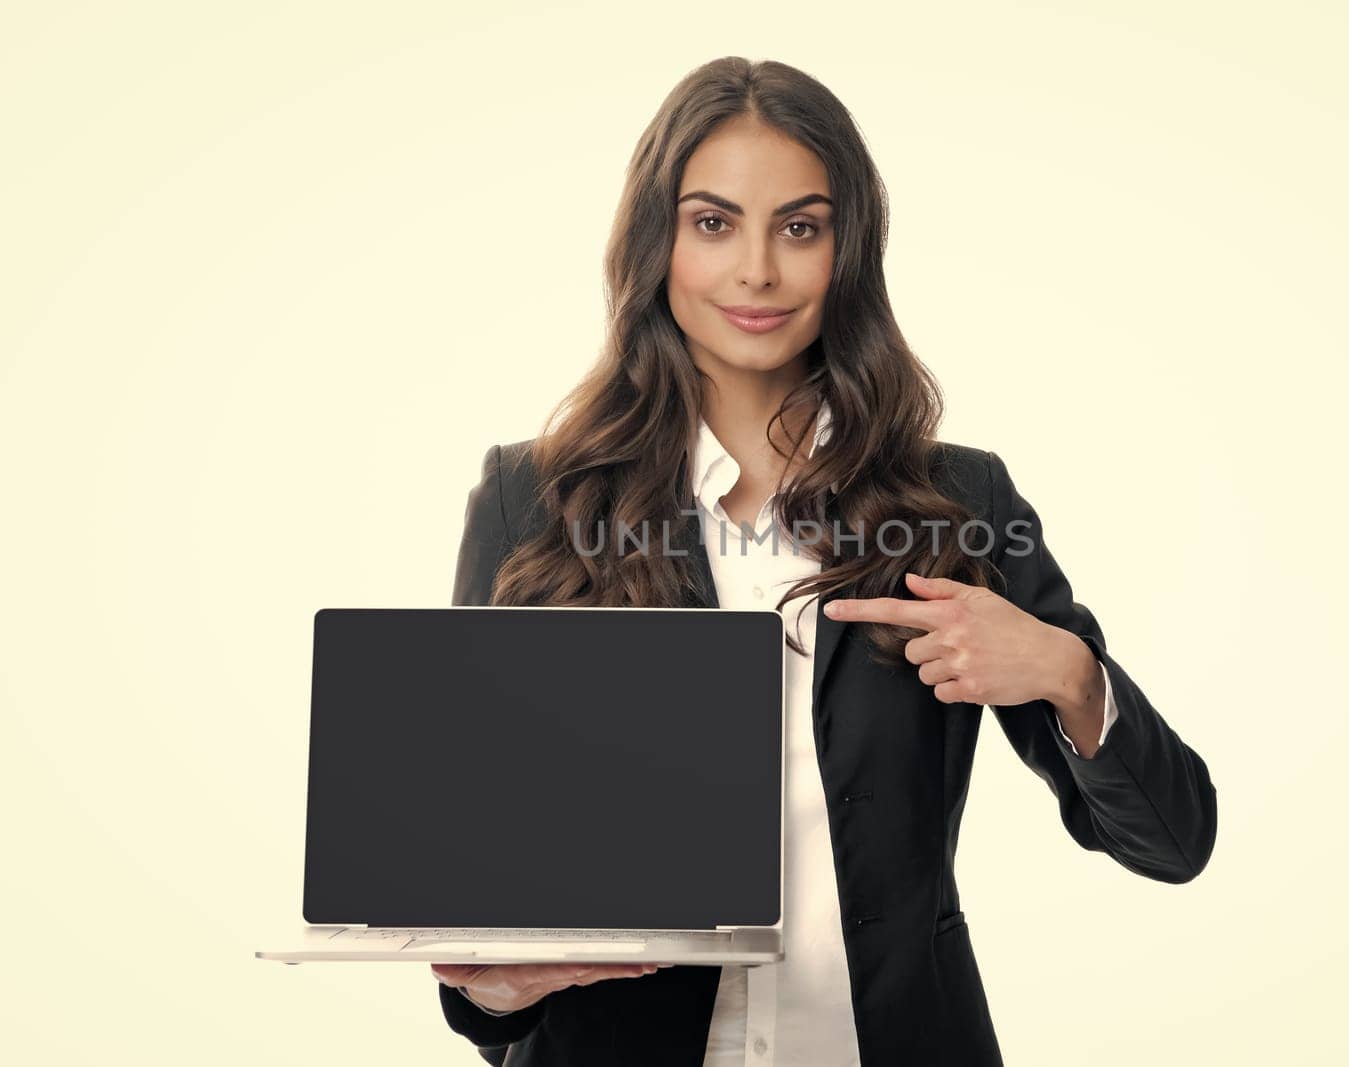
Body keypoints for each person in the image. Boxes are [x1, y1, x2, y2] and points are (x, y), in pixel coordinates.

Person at [432, 56, 1217, 1067]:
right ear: (655, 242)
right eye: (713, 222)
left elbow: (1171, 838)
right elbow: (469, 896)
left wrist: (1066, 672)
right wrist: (495, 991)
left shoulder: (957, 505)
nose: (756, 270)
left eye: (799, 226)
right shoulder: (536, 498)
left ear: (846, 250)